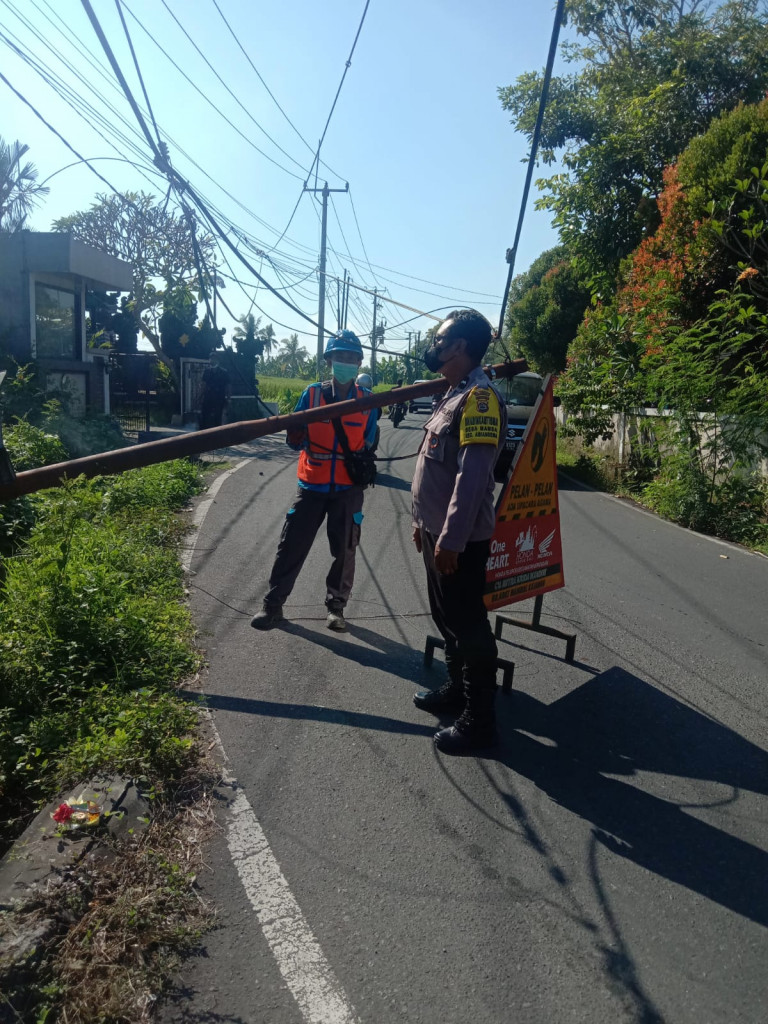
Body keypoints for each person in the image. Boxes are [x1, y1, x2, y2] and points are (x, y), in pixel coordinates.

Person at [411, 309, 525, 754]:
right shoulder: (453, 393)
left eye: (440, 340)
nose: (433, 346)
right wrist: (421, 523)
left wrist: (451, 540)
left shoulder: (479, 398)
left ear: (459, 346)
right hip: (437, 532)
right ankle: (456, 691)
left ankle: (480, 721)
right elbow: (433, 466)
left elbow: (473, 478)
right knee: (447, 619)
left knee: (468, 624)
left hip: (458, 541)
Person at [251, 331, 378, 633]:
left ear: (359, 362)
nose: (345, 362)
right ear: (330, 360)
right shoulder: (312, 394)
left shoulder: (369, 402)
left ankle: (336, 609)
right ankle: (273, 606)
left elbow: (369, 442)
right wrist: (294, 435)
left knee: (345, 551)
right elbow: (294, 440)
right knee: (291, 545)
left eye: (351, 358)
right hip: (311, 485)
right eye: (340, 357)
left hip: (348, 490)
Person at [199, 361, 230, 430]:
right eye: (211, 359)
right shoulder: (207, 372)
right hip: (208, 396)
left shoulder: (223, 372)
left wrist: (228, 398)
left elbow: (228, 385)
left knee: (218, 415)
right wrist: (200, 396)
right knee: (205, 414)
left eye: (214, 359)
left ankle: (217, 431)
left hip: (219, 397)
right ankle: (203, 431)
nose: (212, 361)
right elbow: (203, 385)